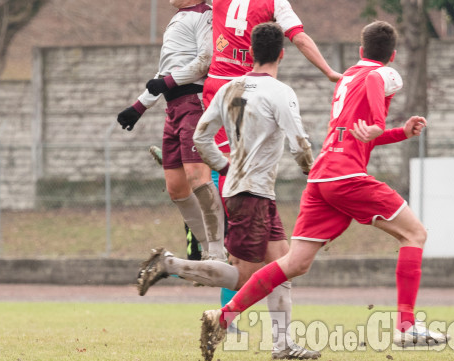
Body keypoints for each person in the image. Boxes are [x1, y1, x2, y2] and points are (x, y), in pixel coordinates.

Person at [199, 21, 451, 359]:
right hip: (345, 176)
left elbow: (356, 133)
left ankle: (223, 316)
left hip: (321, 177)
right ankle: (406, 327)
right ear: (391, 55)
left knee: (295, 263)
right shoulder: (379, 75)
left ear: (360, 51)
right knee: (415, 234)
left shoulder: (347, 77)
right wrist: (378, 123)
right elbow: (377, 98)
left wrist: (398, 132)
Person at [137, 22, 320, 360]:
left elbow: (201, 138)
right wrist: (314, 173)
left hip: (248, 191)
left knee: (282, 267)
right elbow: (299, 144)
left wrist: (223, 166)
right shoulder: (281, 92)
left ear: (251, 53)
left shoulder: (229, 88)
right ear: (281, 53)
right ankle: (169, 264)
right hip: (253, 193)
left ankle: (282, 346)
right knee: (244, 278)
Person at [204, 0, 341, 195]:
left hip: (217, 83)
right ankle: (236, 220)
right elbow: (299, 37)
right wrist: (329, 71)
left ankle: (220, 222)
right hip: (249, 89)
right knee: (250, 161)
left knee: (222, 157)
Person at [116, 0, 226, 262]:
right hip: (172, 109)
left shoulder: (205, 15)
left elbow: (205, 62)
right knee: (176, 189)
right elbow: (164, 73)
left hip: (193, 103)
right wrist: (138, 107)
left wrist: (165, 82)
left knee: (198, 177)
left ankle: (217, 250)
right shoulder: (178, 20)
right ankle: (211, 245)